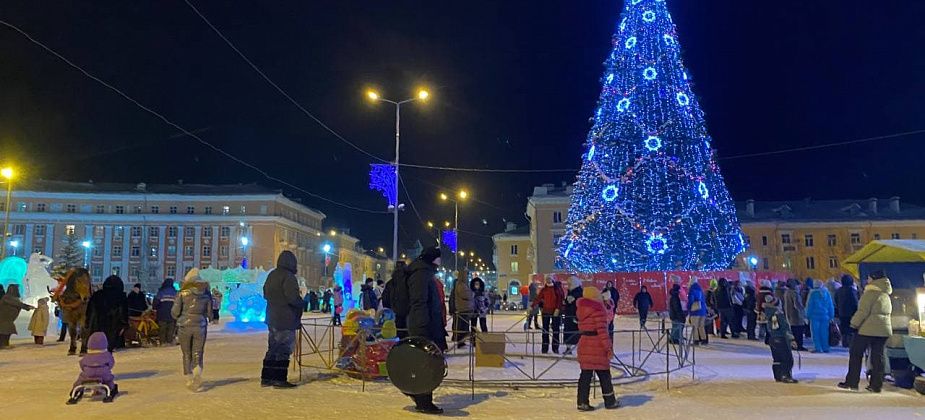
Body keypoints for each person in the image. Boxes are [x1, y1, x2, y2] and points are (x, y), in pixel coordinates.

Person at [405, 246, 447, 415]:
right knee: (426, 363)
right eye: (438, 258)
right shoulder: (421, 274)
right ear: (433, 259)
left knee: (427, 361)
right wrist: (423, 326)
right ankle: (423, 400)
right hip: (423, 325)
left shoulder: (425, 272)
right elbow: (419, 301)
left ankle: (421, 396)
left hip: (427, 323)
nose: (440, 261)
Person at [838, 271, 893, 393]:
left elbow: (862, 311)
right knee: (878, 357)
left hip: (867, 330)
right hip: (884, 330)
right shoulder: (885, 293)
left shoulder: (870, 293)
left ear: (873, 279)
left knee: (856, 354)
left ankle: (852, 382)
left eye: (868, 278)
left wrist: (853, 324)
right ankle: (876, 384)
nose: (867, 280)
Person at [261, 251, 303, 389]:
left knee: (272, 348)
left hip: (272, 317)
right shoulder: (288, 277)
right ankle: (279, 378)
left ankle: (267, 377)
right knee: (284, 348)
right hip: (286, 318)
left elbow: (265, 293)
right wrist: (301, 303)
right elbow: (292, 297)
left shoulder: (272, 274)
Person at [575, 286, 619, 411]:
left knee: (585, 375)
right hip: (597, 345)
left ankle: (582, 402)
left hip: (584, 343)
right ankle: (610, 401)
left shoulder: (581, 310)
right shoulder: (598, 310)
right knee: (604, 374)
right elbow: (602, 332)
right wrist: (608, 348)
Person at [172, 269, 213, 391]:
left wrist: (180, 317)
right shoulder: (206, 294)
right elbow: (210, 314)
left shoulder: (182, 293)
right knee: (198, 352)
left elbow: (175, 312)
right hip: (200, 326)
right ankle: (197, 374)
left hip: (184, 326)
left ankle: (189, 378)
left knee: (186, 353)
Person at [85, 275, 129, 352]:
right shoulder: (121, 297)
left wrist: (87, 323)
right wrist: (124, 324)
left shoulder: (97, 295)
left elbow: (89, 312)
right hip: (112, 329)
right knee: (107, 350)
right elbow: (123, 313)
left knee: (96, 351)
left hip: (96, 329)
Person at [71, 332, 119, 401]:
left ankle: (76, 389)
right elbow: (111, 363)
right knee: (108, 379)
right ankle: (111, 388)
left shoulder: (87, 356)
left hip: (88, 374)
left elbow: (82, 364)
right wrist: (106, 368)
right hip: (103, 374)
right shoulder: (106, 355)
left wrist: (87, 369)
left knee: (80, 378)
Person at [763, 295, 798, 383]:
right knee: (787, 359)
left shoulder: (768, 312)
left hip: (772, 339)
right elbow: (782, 328)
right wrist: (791, 339)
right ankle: (785, 375)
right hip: (780, 338)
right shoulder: (777, 314)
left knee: (777, 358)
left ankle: (778, 375)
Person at [532, 276, 564, 354]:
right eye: (547, 279)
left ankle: (555, 348)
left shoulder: (557, 289)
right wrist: (532, 306)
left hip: (555, 312)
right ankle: (544, 348)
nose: (548, 280)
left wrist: (558, 309)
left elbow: (560, 299)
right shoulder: (544, 289)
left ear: (552, 279)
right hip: (546, 311)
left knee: (556, 330)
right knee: (545, 330)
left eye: (549, 279)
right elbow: (538, 298)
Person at [805, 279, 835, 353]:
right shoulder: (827, 293)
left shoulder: (812, 294)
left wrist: (807, 315)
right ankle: (825, 347)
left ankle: (818, 347)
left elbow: (809, 305)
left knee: (815, 333)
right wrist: (831, 315)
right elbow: (830, 305)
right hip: (825, 316)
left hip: (814, 316)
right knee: (824, 332)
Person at [449, 274, 475, 348]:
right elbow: (467, 295)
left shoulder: (458, 287)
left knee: (461, 326)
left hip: (461, 309)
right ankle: (460, 341)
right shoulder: (461, 286)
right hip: (461, 310)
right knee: (461, 326)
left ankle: (460, 340)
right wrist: (472, 293)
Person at [783, 279, 808, 351]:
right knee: (798, 332)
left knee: (793, 332)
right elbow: (797, 305)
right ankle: (799, 346)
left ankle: (793, 345)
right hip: (796, 316)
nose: (799, 287)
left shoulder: (786, 292)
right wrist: (803, 310)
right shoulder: (794, 293)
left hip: (789, 315)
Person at [835, 274, 859, 348]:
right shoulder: (852, 291)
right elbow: (855, 301)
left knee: (843, 327)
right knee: (850, 328)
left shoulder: (838, 291)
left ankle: (844, 342)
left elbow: (836, 301)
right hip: (851, 312)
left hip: (841, 312)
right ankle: (850, 343)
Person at [153, 279, 178, 346]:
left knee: (162, 329)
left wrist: (154, 309)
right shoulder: (175, 292)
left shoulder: (161, 292)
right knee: (171, 329)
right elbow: (179, 303)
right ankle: (169, 341)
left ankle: (162, 342)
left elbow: (156, 302)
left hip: (162, 314)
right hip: (172, 314)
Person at [563, 277, 583, 354]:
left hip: (576, 315)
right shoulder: (570, 292)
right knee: (568, 331)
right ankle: (568, 347)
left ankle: (579, 348)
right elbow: (568, 302)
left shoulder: (579, 292)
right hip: (568, 315)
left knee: (576, 332)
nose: (568, 285)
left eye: (570, 284)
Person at [687, 280, 708, 346]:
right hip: (703, 311)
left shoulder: (692, 289)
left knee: (695, 326)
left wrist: (689, 308)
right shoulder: (701, 289)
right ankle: (704, 339)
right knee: (701, 326)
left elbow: (691, 300)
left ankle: (696, 340)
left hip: (695, 311)